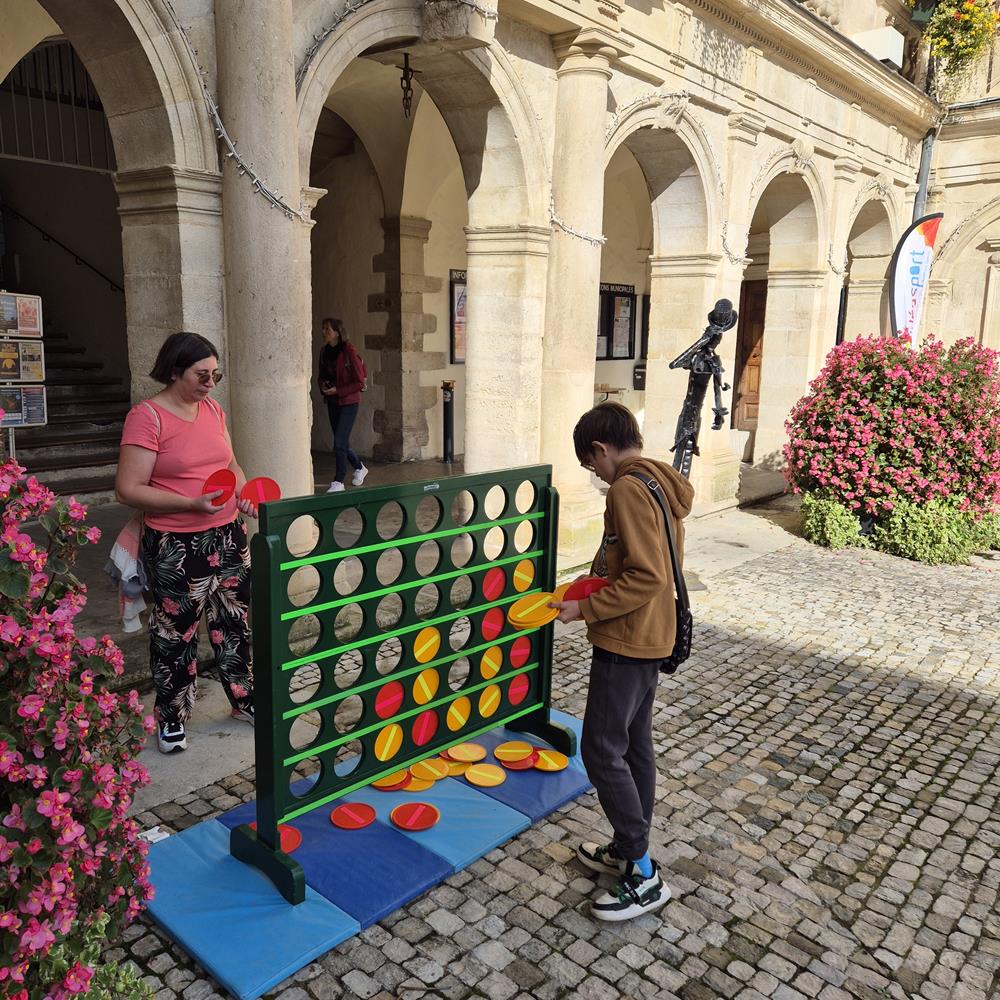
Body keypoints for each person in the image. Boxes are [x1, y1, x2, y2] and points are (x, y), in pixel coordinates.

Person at [551, 401, 694, 921]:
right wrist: (587, 586)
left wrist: (584, 608)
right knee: (635, 746)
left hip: (628, 641)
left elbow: (647, 575)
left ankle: (643, 872)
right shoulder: (656, 480)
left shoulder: (627, 488)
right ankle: (627, 849)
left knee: (601, 750)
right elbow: (639, 565)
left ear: (601, 449)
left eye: (592, 466)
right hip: (651, 635)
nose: (595, 475)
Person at [115, 332, 257, 755]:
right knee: (176, 632)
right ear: (175, 370)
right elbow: (127, 488)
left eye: (216, 374)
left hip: (228, 534)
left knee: (233, 621)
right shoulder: (147, 417)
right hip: (176, 543)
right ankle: (172, 715)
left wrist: (243, 490)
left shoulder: (213, 410)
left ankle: (244, 699)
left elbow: (229, 463)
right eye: (201, 375)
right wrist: (190, 503)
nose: (211, 383)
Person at [318, 317, 368, 493]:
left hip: (348, 402)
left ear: (337, 332)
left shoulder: (349, 351)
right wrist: (324, 387)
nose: (324, 332)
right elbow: (321, 375)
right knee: (342, 442)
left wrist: (338, 390)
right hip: (333, 402)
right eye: (323, 329)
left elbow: (359, 382)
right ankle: (359, 467)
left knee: (339, 442)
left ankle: (338, 481)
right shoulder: (324, 352)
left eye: (327, 329)